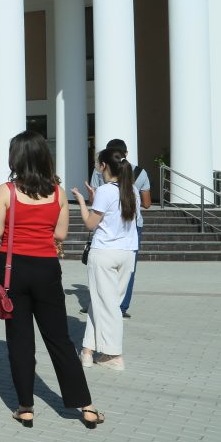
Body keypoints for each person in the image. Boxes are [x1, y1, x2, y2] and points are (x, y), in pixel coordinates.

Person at [0, 130, 104, 428]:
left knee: (20, 340)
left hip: (13, 268)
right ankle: (85, 405)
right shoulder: (57, 192)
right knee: (59, 338)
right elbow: (61, 235)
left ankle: (25, 405)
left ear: (15, 157)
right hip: (47, 268)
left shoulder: (6, 191)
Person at [72, 146, 140, 372]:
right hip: (127, 253)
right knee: (102, 303)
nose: (97, 168)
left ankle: (115, 354)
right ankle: (88, 351)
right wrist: (95, 200)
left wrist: (83, 202)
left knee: (107, 305)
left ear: (104, 166)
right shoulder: (132, 190)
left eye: (97, 164)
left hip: (104, 253)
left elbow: (91, 224)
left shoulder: (105, 191)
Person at [87, 138, 150, 318]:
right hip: (132, 226)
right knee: (128, 270)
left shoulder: (99, 171)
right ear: (126, 154)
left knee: (102, 267)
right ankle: (121, 306)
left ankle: (99, 304)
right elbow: (147, 204)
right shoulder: (139, 173)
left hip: (106, 225)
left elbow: (96, 201)